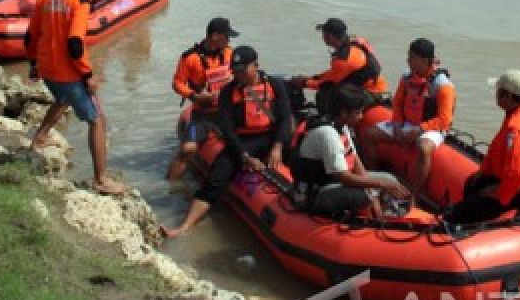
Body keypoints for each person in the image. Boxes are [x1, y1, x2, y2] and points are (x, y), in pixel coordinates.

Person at [25, 0, 127, 196]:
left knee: (61, 100)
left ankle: (40, 137)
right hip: (68, 72)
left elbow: (30, 35)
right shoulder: (80, 1)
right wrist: (87, 75)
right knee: (97, 119)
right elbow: (74, 43)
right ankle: (101, 179)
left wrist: (34, 65)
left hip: (48, 69)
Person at [164, 45, 293, 237]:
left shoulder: (275, 85)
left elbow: (284, 118)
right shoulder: (228, 93)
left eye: (242, 70)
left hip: (271, 138)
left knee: (299, 158)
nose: (238, 75)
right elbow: (228, 130)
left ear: (256, 65)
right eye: (235, 71)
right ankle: (184, 227)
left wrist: (277, 146)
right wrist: (245, 156)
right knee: (216, 179)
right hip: (242, 141)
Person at [443, 69, 520, 225]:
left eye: (498, 91)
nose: (495, 94)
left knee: (461, 211)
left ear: (506, 95)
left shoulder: (516, 128)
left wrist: (498, 193)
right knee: (473, 184)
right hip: (519, 180)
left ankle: (464, 227)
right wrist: (483, 172)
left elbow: (517, 174)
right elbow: (498, 152)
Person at [292, 84, 410, 219]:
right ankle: (367, 219)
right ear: (343, 113)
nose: (361, 117)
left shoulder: (342, 126)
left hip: (334, 184)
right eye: (358, 112)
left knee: (390, 180)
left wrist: (376, 191)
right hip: (316, 192)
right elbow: (343, 178)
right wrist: (376, 190)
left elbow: (356, 162)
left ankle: (380, 213)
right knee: (364, 194)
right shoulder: (328, 134)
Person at [359, 38, 455, 192]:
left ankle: (413, 193)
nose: (407, 60)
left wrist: (419, 130)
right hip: (406, 123)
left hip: (431, 128)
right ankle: (373, 179)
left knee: (423, 149)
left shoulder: (443, 86)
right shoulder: (407, 77)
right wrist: (397, 126)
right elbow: (397, 102)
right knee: (368, 134)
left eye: (411, 57)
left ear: (424, 61)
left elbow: (444, 119)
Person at [166, 17, 239, 180]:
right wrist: (195, 96)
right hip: (202, 114)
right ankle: (169, 185)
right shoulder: (190, 58)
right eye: (226, 36)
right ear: (214, 37)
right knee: (188, 149)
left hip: (227, 112)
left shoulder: (230, 54)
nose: (229, 40)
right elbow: (177, 83)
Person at [290, 18, 389, 98]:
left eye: (323, 34)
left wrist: (304, 83)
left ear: (331, 36)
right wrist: (313, 78)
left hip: (371, 93)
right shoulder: (358, 42)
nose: (322, 37)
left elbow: (328, 84)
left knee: (324, 95)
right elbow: (334, 74)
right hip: (378, 84)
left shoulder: (343, 59)